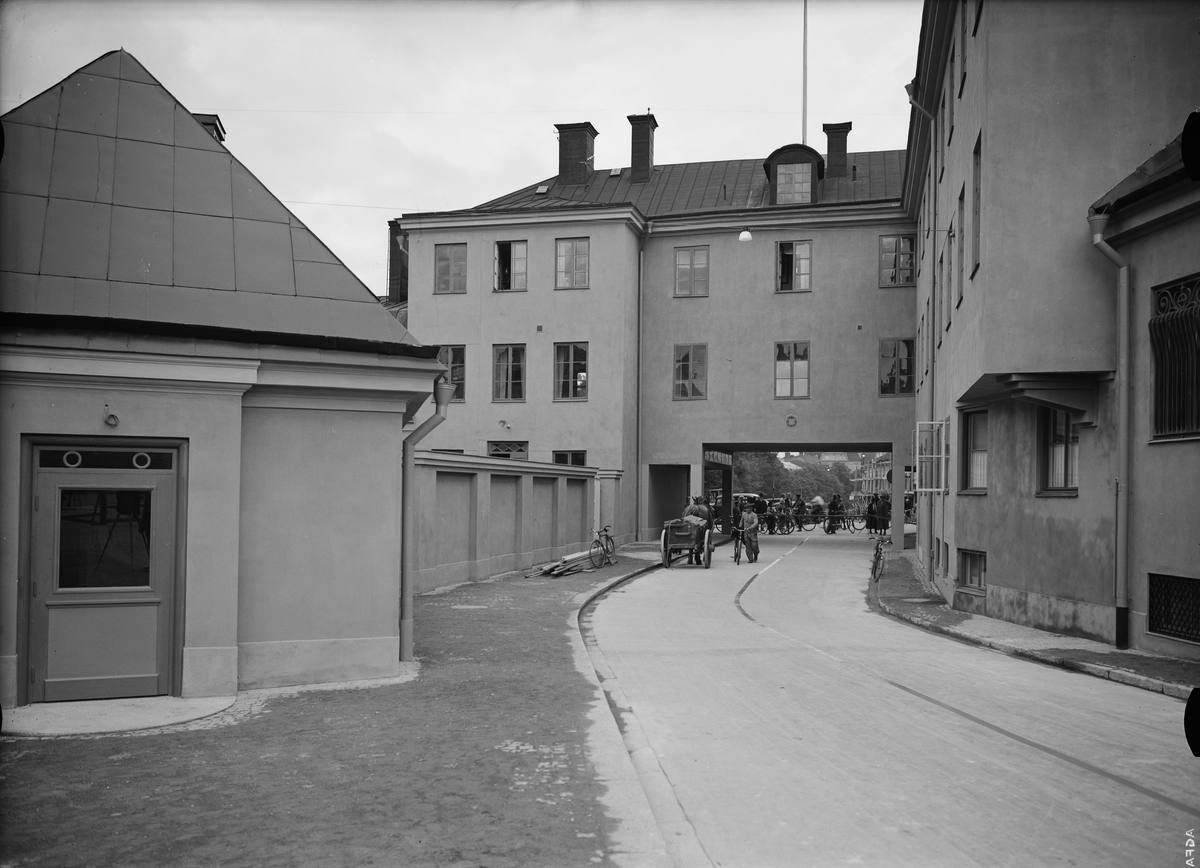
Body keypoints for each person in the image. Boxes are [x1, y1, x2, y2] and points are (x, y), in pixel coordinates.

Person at [683, 495, 712, 564]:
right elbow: (708, 526)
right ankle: (697, 556)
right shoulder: (705, 509)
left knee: (690, 531)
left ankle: (690, 557)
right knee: (699, 532)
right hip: (700, 536)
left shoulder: (688, 508)